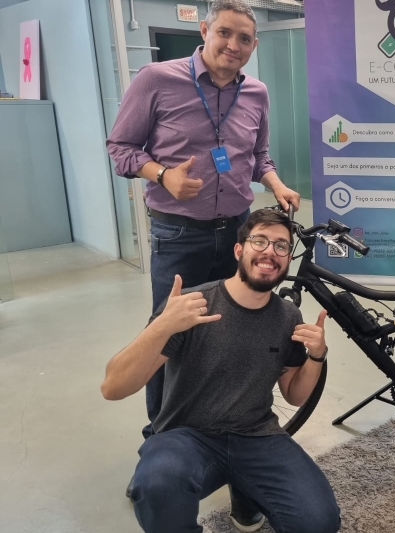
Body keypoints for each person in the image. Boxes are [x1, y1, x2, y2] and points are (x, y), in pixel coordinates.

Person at [106, 1, 300, 525]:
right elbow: (119, 148)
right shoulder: (156, 79)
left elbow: (258, 156)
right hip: (179, 234)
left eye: (244, 39)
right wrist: (162, 174)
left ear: (253, 46)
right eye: (224, 34)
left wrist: (277, 184)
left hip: (236, 233)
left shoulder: (255, 92)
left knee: (237, 332)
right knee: (167, 337)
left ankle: (239, 440)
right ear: (204, 31)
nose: (233, 46)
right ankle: (159, 447)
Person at [100, 209, 339, 533]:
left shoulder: (287, 315)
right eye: (260, 241)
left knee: (319, 522)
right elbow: (112, 388)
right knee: (156, 484)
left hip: (256, 436)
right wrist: (161, 328)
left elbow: (295, 396)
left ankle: (247, 497)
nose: (270, 251)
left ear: (287, 259)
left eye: (281, 246)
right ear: (239, 250)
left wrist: (317, 356)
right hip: (187, 436)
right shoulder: (193, 304)